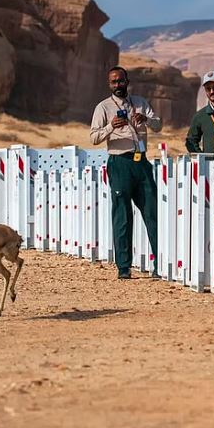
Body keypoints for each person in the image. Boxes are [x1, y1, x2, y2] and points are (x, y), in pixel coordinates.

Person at [90, 66, 162, 280]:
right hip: (119, 162)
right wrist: (111, 127)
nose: (118, 85)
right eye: (113, 82)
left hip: (141, 161)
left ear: (127, 81)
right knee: (122, 215)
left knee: (152, 212)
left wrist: (146, 119)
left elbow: (158, 126)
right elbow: (93, 137)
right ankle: (124, 267)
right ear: (109, 84)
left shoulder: (140, 102)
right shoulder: (103, 107)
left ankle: (161, 263)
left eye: (121, 81)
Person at [185, 71, 214, 154]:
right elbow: (190, 141)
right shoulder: (200, 115)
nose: (211, 91)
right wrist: (202, 158)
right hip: (210, 165)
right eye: (208, 88)